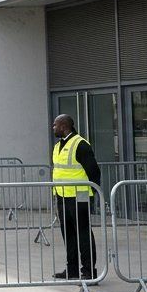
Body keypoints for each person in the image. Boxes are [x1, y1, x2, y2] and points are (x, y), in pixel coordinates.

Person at [51, 114, 101, 281]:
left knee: (83, 234)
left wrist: (92, 194)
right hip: (62, 196)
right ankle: (71, 270)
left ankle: (88, 271)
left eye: (55, 125)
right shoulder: (58, 145)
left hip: (79, 197)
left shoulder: (80, 144)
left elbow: (94, 172)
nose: (53, 128)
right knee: (69, 234)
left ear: (64, 126)